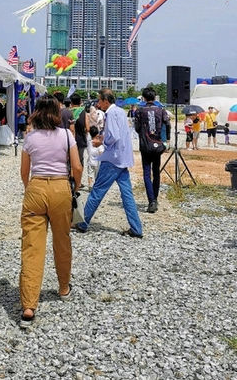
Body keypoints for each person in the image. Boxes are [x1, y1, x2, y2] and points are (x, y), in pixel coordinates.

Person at [18, 96, 82, 328]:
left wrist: (30, 188)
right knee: (62, 240)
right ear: (57, 113)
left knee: (32, 247)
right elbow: (76, 166)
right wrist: (75, 187)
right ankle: (63, 287)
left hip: (36, 186)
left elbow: (24, 170)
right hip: (60, 186)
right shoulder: (66, 135)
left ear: (36, 112)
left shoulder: (30, 137)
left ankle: (28, 304)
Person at [74, 89, 143, 238]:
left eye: (99, 100)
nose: (98, 104)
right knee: (127, 194)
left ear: (106, 101)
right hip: (122, 157)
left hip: (112, 158)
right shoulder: (120, 111)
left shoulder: (111, 113)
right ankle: (136, 228)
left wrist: (101, 141)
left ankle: (83, 223)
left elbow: (114, 136)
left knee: (97, 191)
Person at [134, 87, 170, 213]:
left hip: (145, 145)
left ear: (144, 98)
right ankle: (155, 198)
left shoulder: (139, 111)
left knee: (146, 173)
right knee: (156, 172)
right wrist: (167, 140)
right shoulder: (161, 110)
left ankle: (151, 200)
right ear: (155, 98)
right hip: (158, 145)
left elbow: (137, 128)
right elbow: (168, 124)